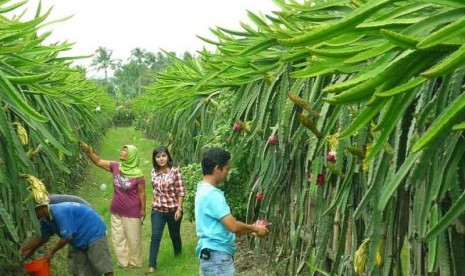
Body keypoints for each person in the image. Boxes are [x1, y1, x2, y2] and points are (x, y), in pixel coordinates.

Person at [195, 147, 269, 276]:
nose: (227, 173)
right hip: (217, 258)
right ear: (217, 168)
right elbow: (233, 226)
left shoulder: (202, 189)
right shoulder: (212, 194)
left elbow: (222, 226)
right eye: (227, 169)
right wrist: (256, 229)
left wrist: (250, 230)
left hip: (210, 255)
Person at [80, 142, 146, 268]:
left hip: (132, 211)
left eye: (125, 151)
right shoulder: (116, 166)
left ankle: (136, 262)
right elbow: (98, 161)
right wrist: (89, 151)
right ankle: (123, 262)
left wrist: (143, 209)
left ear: (132, 155)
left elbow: (142, 193)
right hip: (116, 209)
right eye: (122, 150)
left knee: (134, 238)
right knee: (117, 238)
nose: (121, 152)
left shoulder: (138, 175)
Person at [20, 202, 114, 276]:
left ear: (41, 208)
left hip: (93, 231)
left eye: (34, 211)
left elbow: (67, 237)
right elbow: (42, 237)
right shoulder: (45, 219)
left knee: (103, 264)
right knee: (77, 268)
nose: (33, 215)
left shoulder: (59, 212)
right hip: (77, 237)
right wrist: (28, 250)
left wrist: (51, 252)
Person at [147, 146, 185, 274]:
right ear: (155, 159)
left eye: (163, 156)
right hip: (158, 210)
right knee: (155, 236)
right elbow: (155, 189)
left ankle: (179, 257)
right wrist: (154, 201)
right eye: (158, 156)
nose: (161, 159)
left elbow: (181, 192)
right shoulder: (153, 172)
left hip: (173, 209)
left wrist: (179, 209)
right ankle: (152, 265)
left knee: (174, 235)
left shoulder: (175, 172)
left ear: (168, 156)